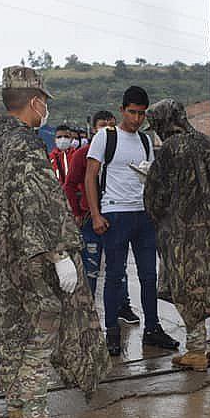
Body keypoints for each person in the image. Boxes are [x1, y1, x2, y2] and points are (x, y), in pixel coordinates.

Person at [0, 66, 110, 418]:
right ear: (35, 102)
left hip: (5, 265)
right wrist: (60, 255)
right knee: (38, 342)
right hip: (30, 265)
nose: (46, 112)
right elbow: (37, 203)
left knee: (17, 341)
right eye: (44, 104)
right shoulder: (24, 144)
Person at [144, 99, 210, 371]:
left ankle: (196, 351)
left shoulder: (170, 149)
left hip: (185, 235)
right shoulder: (205, 142)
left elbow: (157, 195)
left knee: (190, 291)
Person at [85, 86, 179, 356]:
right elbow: (90, 176)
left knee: (149, 275)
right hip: (115, 214)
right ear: (122, 110)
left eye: (141, 114)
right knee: (115, 276)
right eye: (132, 112)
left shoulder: (146, 141)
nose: (137, 118)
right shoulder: (105, 137)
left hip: (143, 215)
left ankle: (153, 328)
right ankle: (112, 332)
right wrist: (96, 214)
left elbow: (150, 176)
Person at [64, 111, 139, 325]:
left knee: (118, 266)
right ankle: (87, 311)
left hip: (116, 217)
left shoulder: (122, 150)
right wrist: (77, 212)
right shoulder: (83, 154)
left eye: (111, 124)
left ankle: (123, 306)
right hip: (90, 219)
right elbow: (69, 185)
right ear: (94, 128)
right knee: (91, 267)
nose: (107, 128)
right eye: (102, 124)